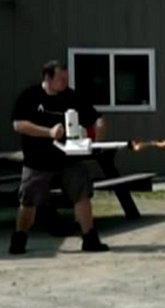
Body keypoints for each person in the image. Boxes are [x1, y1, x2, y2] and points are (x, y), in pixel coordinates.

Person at [8, 60, 110, 254]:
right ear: (47, 77)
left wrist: (97, 136)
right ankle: (19, 239)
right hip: (38, 160)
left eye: (67, 78)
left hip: (69, 159)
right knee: (28, 201)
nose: (65, 82)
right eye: (61, 78)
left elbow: (96, 117)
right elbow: (18, 125)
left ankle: (90, 238)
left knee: (82, 194)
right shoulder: (29, 96)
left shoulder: (72, 96)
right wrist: (49, 132)